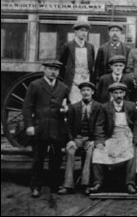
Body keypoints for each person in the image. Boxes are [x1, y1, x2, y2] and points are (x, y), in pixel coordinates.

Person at [23, 60, 69, 198]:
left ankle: (54, 184)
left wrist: (66, 109)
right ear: (44, 70)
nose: (53, 72)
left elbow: (67, 105)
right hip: (40, 127)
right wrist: (29, 125)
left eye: (56, 69)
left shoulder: (63, 87)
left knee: (56, 158)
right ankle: (36, 186)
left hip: (57, 128)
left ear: (59, 71)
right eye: (50, 69)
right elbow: (27, 107)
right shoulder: (35, 85)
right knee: (38, 158)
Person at [90, 82, 137, 194]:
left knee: (132, 153)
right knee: (98, 152)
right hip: (111, 136)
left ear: (125, 93)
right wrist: (100, 141)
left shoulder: (131, 106)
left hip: (127, 136)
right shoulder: (105, 107)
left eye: (121, 92)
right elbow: (99, 126)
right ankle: (97, 183)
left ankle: (130, 183)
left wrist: (135, 139)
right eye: (115, 93)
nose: (118, 95)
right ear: (111, 94)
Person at [59, 82, 101, 196]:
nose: (86, 92)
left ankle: (86, 184)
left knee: (90, 152)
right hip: (77, 138)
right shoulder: (74, 107)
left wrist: (94, 141)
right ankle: (68, 184)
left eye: (88, 90)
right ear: (81, 92)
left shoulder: (98, 107)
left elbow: (100, 126)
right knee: (70, 150)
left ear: (92, 92)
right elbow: (68, 127)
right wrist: (71, 140)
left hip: (89, 139)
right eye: (83, 90)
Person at [59, 21, 95, 103]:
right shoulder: (68, 46)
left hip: (86, 78)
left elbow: (91, 64)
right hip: (73, 79)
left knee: (86, 100)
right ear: (75, 31)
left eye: (86, 31)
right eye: (81, 30)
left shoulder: (90, 47)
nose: (84, 33)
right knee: (73, 101)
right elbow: (62, 64)